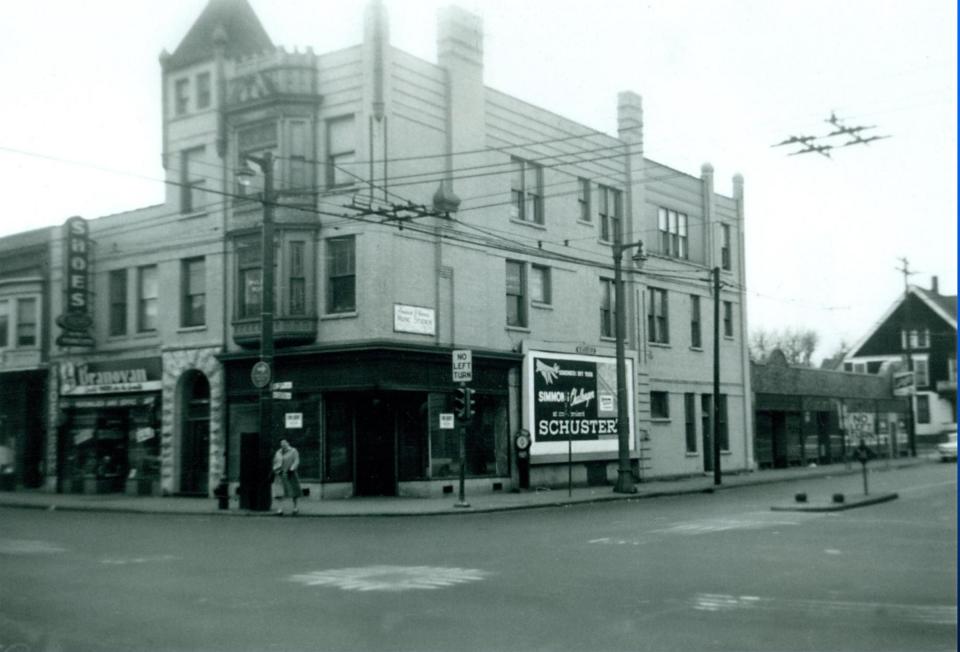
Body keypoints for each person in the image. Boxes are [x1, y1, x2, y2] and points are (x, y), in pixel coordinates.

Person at [272, 439, 301, 516]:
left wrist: (292, 469)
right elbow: (275, 462)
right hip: (280, 474)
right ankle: (280, 509)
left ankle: (295, 508)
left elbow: (296, 461)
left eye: (285, 444)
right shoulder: (278, 452)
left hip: (290, 473)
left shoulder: (293, 451)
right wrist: (277, 470)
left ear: (288, 443)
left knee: (294, 491)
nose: (283, 445)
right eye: (281, 444)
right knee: (279, 492)